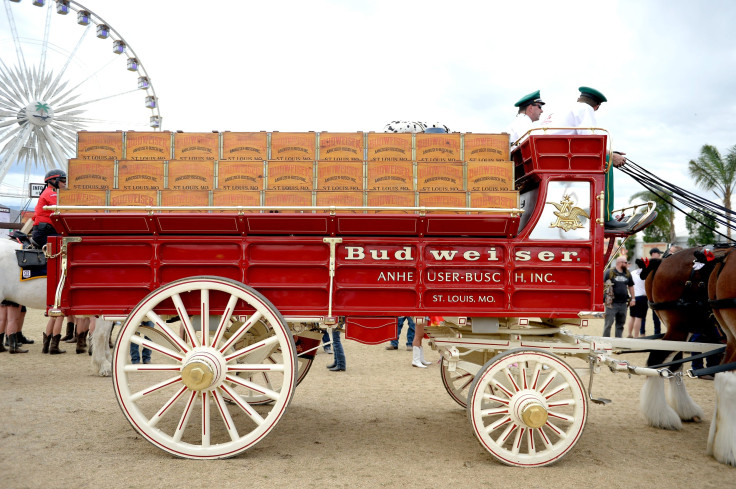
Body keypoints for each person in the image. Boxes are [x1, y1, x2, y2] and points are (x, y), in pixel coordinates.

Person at [536, 87, 627, 230]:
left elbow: (580, 139)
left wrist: (610, 151)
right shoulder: (586, 109)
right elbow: (590, 140)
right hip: (558, 159)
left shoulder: (562, 110)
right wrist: (611, 156)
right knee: (605, 162)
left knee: (606, 155)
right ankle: (606, 217)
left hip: (545, 156)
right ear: (596, 106)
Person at [31, 169, 66, 250]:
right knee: (68, 246)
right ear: (53, 181)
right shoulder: (51, 193)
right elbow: (64, 210)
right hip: (47, 233)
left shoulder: (48, 192)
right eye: (63, 180)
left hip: (44, 231)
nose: (65, 183)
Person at [603, 256, 635, 338]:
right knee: (608, 324)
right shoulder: (609, 272)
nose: (626, 264)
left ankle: (618, 341)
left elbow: (631, 286)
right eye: (625, 262)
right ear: (619, 262)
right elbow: (602, 285)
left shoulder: (627, 273)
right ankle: (605, 341)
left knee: (620, 324)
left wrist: (633, 299)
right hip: (611, 303)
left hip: (623, 303)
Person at [640, 247, 662, 336]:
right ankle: (643, 332)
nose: (660, 255)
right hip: (647, 293)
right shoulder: (648, 263)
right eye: (658, 253)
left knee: (656, 316)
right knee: (643, 316)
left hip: (652, 293)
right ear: (653, 254)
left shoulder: (660, 263)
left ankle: (657, 332)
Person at [625, 265, 647, 338]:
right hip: (642, 296)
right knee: (639, 317)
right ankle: (636, 336)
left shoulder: (632, 272)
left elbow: (628, 284)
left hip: (633, 296)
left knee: (632, 316)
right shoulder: (645, 273)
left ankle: (629, 333)